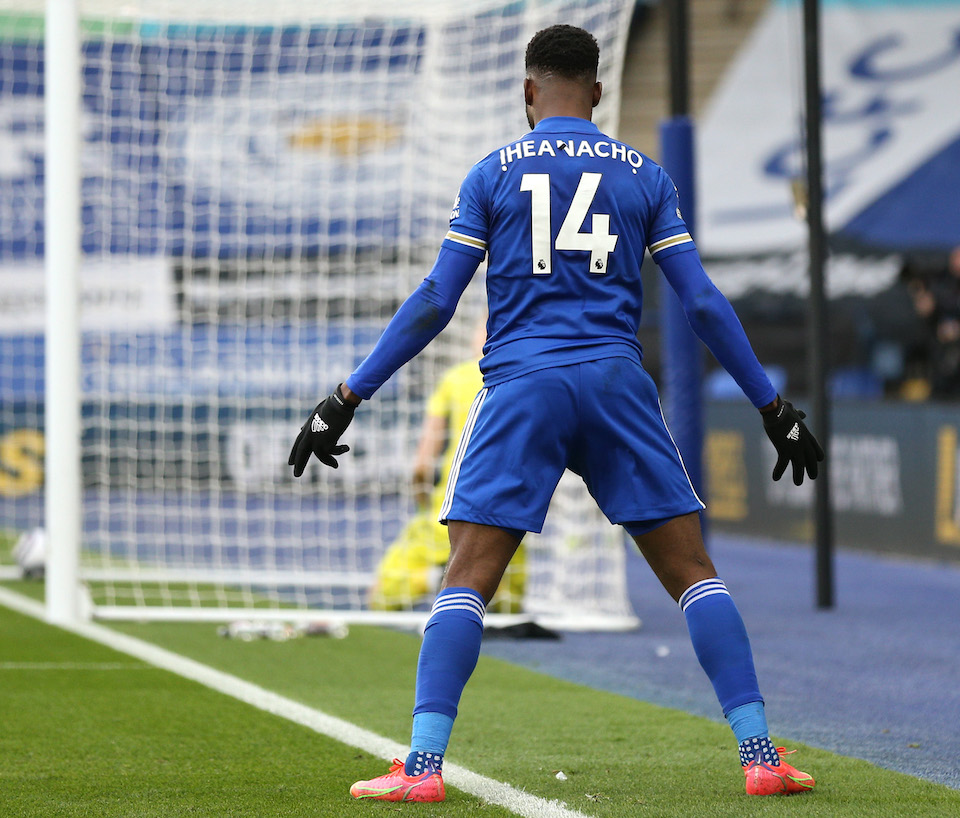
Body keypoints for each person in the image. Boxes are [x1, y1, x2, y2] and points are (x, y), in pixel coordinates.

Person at [289, 25, 823, 802]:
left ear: (529, 92)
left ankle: (424, 770)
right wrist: (773, 406)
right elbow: (701, 302)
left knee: (468, 578)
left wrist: (346, 398)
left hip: (521, 385)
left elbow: (437, 300)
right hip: (615, 382)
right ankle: (761, 757)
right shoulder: (645, 176)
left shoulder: (492, 175)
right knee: (694, 575)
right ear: (598, 93)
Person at [368, 321, 525, 613]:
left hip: (449, 511)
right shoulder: (525, 382)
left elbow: (422, 465)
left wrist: (422, 505)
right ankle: (491, 593)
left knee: (381, 598)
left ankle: (431, 578)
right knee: (508, 607)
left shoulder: (454, 380)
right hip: (507, 512)